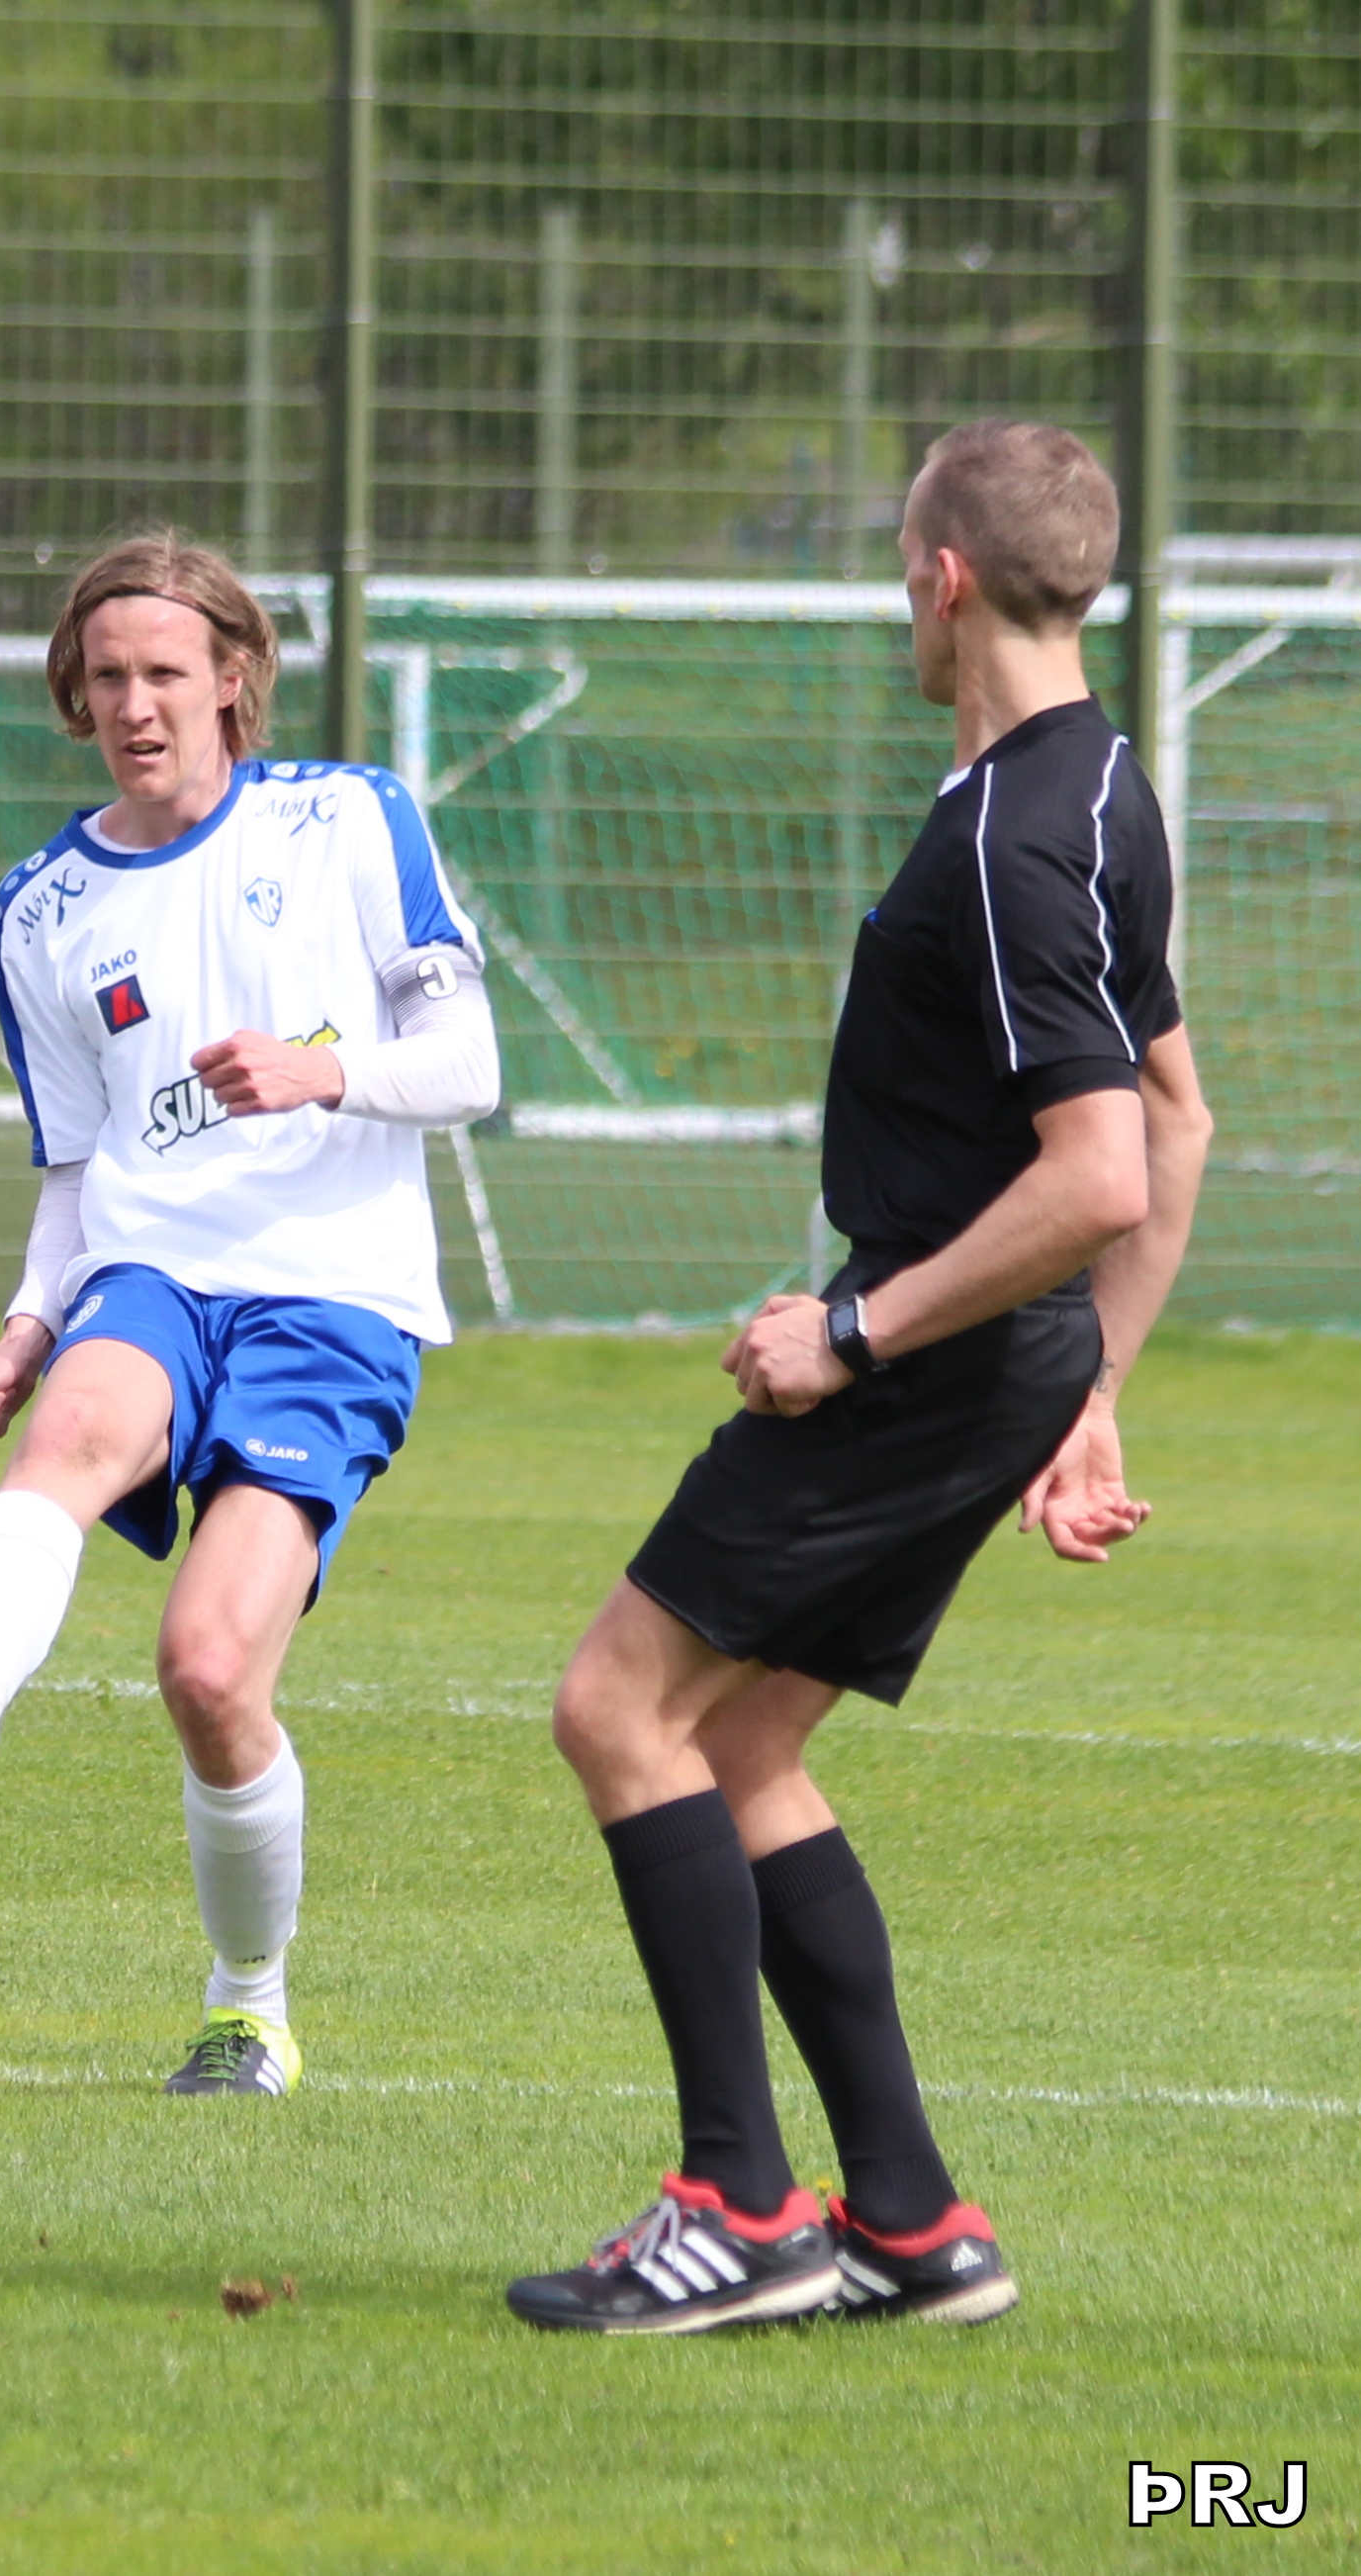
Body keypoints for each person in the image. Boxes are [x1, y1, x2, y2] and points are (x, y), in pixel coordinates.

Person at [501, 423, 1209, 2336]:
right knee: (742, 1743)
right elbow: (1180, 1117)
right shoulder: (1103, 788)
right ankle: (907, 2218)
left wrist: (851, 1332)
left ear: (942, 578)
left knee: (616, 1704)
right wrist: (1089, 1388)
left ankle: (736, 2202)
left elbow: (1104, 1168)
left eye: (903, 565)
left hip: (922, 1356)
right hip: (998, 1360)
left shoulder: (1006, 838)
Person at [0, 531, 500, 2099]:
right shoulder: (40, 909)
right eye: (105, 677)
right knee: (70, 1438)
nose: (133, 704)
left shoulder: (348, 817)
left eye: (162, 671)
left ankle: (246, 2005)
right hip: (147, 1272)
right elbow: (74, 1173)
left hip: (331, 1298)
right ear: (71, 696)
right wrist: (23, 1331)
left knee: (209, 1673)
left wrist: (318, 1069)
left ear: (232, 677)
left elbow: (470, 1067)